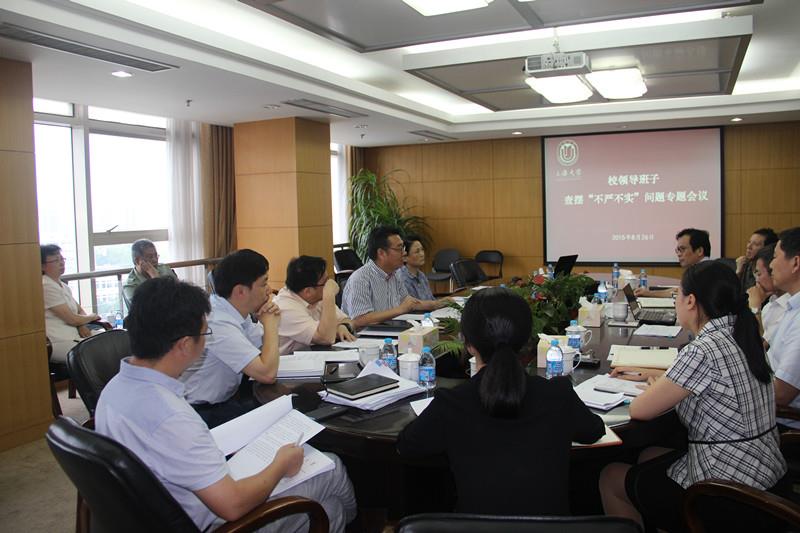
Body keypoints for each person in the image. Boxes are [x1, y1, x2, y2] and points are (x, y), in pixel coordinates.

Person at [95, 277, 356, 532]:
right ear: (184, 345)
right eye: (204, 333)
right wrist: (280, 465)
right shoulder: (172, 417)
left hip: (159, 507)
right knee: (332, 468)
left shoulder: (114, 389)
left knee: (330, 509)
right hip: (217, 519)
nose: (205, 341)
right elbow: (233, 506)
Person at [600, 261, 787, 532]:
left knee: (610, 477)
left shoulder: (702, 350)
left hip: (727, 492)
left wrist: (657, 387)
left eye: (677, 295)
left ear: (690, 301)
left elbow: (639, 410)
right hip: (767, 474)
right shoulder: (743, 333)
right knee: (649, 454)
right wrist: (660, 380)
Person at [397, 287, 605, 515]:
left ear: (468, 343)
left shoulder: (452, 402)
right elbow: (593, 430)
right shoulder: (558, 394)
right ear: (526, 340)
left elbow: (407, 445)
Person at [179, 249, 281, 428]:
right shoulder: (218, 322)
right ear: (240, 291)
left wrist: (267, 324)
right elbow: (267, 374)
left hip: (227, 402)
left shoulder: (235, 310)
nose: (269, 290)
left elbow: (262, 348)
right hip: (202, 414)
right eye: (264, 283)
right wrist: (270, 324)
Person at [342, 226, 438, 328]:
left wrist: (438, 304)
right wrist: (400, 310)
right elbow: (359, 320)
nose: (404, 253)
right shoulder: (360, 279)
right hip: (366, 335)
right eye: (399, 248)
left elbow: (409, 302)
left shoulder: (395, 274)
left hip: (392, 331)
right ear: (381, 253)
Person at [273, 255, 356, 355]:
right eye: (325, 282)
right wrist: (329, 295)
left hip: (313, 356)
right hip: (288, 362)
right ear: (308, 291)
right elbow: (326, 338)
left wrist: (343, 326)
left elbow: (347, 320)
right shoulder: (285, 308)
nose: (330, 284)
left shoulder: (315, 296)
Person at [41, 244, 101, 363]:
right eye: (56, 260)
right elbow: (72, 319)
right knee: (102, 353)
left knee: (115, 341)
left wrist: (81, 325)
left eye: (62, 259)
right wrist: (92, 316)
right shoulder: (46, 286)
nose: (61, 263)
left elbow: (79, 311)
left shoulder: (63, 285)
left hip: (75, 335)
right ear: (42, 266)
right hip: (59, 340)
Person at [765, 227, 800, 420]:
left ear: (795, 263)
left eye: (775, 257)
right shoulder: (792, 305)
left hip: (782, 424)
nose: (770, 265)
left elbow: (781, 393)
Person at [635, 228, 712, 298]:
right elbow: (678, 291)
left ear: (699, 251)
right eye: (678, 250)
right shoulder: (700, 269)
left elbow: (682, 294)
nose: (679, 254)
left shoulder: (705, 273)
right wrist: (647, 293)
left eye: (682, 249)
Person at [747, 244, 789, 347]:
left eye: (759, 274)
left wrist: (755, 309)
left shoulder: (789, 307)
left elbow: (761, 348)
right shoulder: (770, 304)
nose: (757, 281)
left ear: (773, 272)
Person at [398, 235, 450, 307]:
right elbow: (414, 306)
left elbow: (431, 299)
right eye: (417, 252)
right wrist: (439, 303)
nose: (422, 254)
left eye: (422, 250)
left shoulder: (421, 275)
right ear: (405, 257)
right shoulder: (402, 278)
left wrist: (443, 302)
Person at [122, 239, 177, 304]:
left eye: (156, 256)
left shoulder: (164, 268)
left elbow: (179, 293)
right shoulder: (130, 285)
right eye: (150, 257)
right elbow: (148, 307)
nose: (155, 260)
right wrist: (155, 277)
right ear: (137, 260)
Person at [737, 228, 778, 292]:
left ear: (767, 248)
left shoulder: (770, 270)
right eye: (749, 242)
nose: (749, 246)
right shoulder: (745, 265)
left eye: (756, 244)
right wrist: (738, 272)